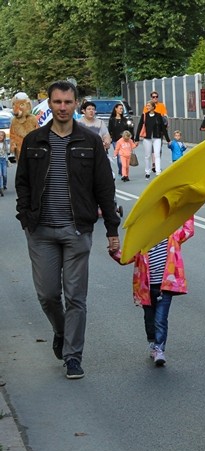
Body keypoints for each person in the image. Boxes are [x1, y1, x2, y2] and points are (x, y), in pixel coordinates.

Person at [15, 80, 120, 379]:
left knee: (75, 297)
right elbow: (22, 182)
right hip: (41, 232)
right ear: (49, 104)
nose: (62, 107)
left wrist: (112, 230)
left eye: (67, 102)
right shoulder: (35, 140)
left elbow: (104, 187)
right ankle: (61, 331)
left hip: (77, 230)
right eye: (57, 102)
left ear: (76, 104)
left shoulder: (89, 141)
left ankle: (73, 357)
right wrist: (25, 216)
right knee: (48, 295)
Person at [109, 217, 194, 367]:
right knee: (149, 319)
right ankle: (152, 342)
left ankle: (159, 349)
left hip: (165, 287)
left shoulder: (173, 237)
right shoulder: (142, 244)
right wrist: (114, 252)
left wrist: (188, 210)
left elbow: (188, 230)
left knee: (161, 319)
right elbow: (125, 258)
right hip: (146, 289)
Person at [135, 100, 170, 179]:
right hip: (147, 138)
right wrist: (136, 138)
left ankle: (158, 171)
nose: (147, 107)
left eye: (149, 105)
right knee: (147, 155)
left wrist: (168, 139)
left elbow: (163, 128)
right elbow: (139, 127)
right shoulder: (144, 115)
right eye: (147, 106)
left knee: (157, 154)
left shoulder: (158, 116)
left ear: (153, 107)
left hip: (157, 137)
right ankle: (147, 171)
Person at [108, 103, 129, 177]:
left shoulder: (125, 120)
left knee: (125, 156)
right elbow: (109, 130)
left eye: (122, 109)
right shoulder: (112, 120)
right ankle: (121, 171)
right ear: (116, 109)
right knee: (120, 156)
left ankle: (124, 171)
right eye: (120, 108)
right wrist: (109, 139)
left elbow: (128, 130)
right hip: (116, 140)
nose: (121, 110)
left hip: (124, 141)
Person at [0, 131, 8, 197]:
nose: (0, 137)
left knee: (4, 174)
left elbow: (7, 152)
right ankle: (1, 187)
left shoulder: (5, 143)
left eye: (2, 135)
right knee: (0, 174)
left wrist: (7, 161)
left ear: (4, 137)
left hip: (4, 160)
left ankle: (4, 185)